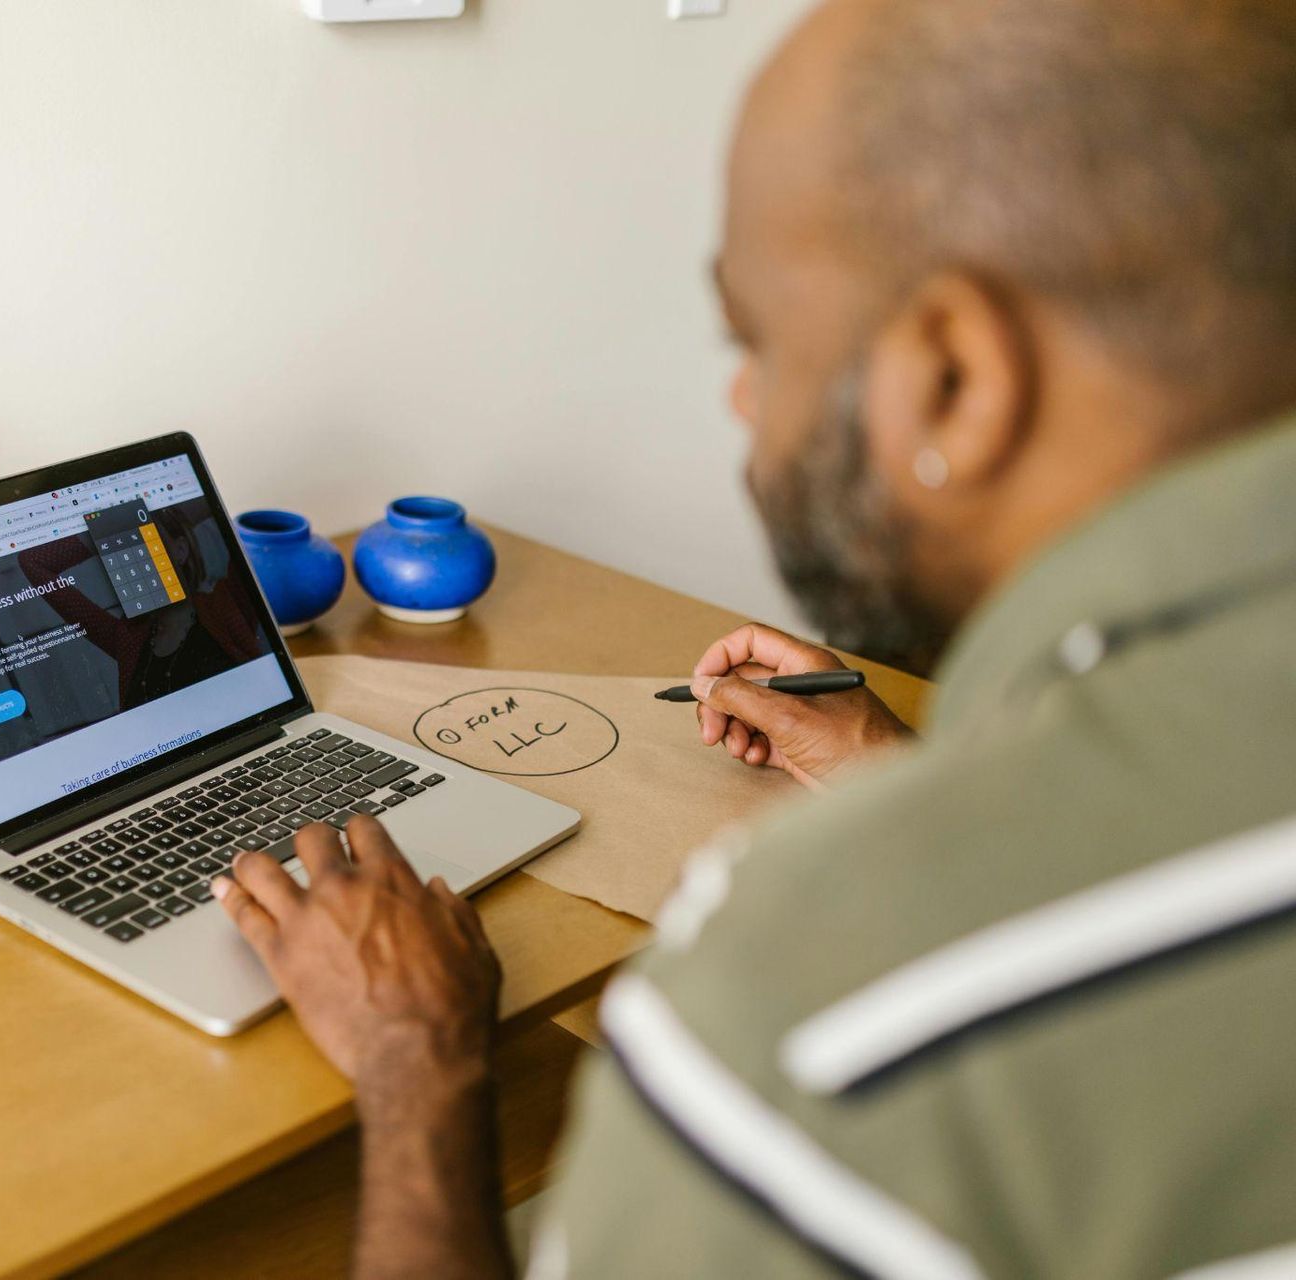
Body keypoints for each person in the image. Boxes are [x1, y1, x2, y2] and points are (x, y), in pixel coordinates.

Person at [209, 0, 1296, 1275]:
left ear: (956, 375)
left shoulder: (829, 999)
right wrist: (908, 774)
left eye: (759, 341)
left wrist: (418, 1061)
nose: (742, 397)